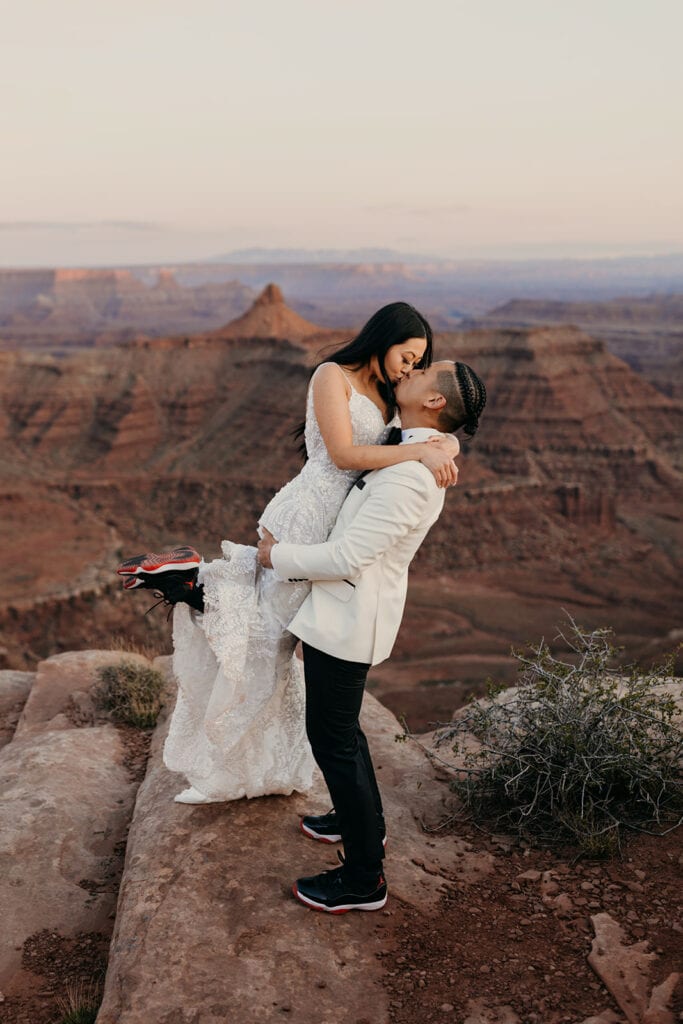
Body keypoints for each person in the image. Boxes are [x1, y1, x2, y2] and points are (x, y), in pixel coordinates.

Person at [117, 302, 460, 803]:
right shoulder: (332, 376)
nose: (409, 367)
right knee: (266, 644)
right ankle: (225, 769)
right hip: (309, 515)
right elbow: (343, 455)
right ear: (383, 339)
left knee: (272, 642)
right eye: (407, 355)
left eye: (417, 362)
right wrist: (421, 451)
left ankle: (192, 582)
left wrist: (443, 444)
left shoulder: (389, 391)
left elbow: (416, 428)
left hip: (336, 525)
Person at [256, 359, 487, 913]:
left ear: (435, 402)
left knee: (331, 740)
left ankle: (364, 879)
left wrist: (274, 557)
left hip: (348, 620)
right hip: (342, 615)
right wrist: (442, 445)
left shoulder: (410, 475)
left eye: (427, 370)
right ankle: (360, 823)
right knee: (343, 732)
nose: (415, 368)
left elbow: (348, 556)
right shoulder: (413, 448)